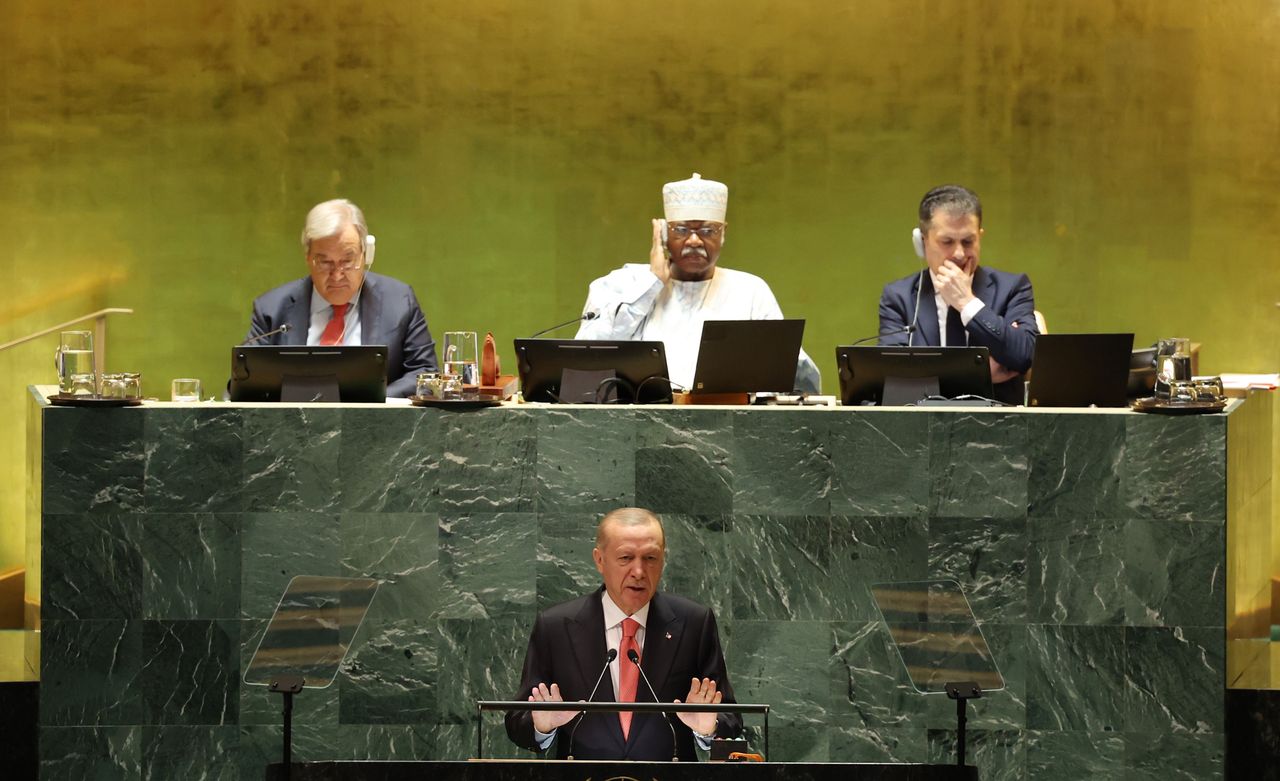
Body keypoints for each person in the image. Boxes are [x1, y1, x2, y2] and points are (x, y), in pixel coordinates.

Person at [505, 507, 742, 761]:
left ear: (663, 559)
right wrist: (542, 726)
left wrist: (709, 729)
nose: (639, 572)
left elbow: (731, 719)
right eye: (626, 558)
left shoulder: (694, 623)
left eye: (650, 558)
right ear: (599, 560)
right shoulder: (555, 627)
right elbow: (518, 721)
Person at [575, 173, 821, 394]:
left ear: (723, 233)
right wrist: (652, 284)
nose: (694, 240)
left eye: (707, 230)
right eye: (681, 230)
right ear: (662, 233)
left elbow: (793, 373)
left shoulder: (750, 290)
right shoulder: (624, 283)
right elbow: (584, 359)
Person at [240, 199, 437, 397]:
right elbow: (244, 381)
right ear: (308, 257)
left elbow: (426, 373)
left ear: (365, 254)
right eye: (324, 262)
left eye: (347, 260)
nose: (337, 274)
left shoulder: (400, 301)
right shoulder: (272, 310)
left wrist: (374, 402)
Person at [878, 184, 1037, 404]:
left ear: (980, 237)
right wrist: (976, 374)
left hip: (1000, 427)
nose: (959, 253)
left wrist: (968, 304)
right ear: (922, 242)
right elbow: (894, 379)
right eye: (947, 242)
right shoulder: (899, 297)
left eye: (968, 241)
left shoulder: (1012, 287)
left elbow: (1025, 356)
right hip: (923, 429)